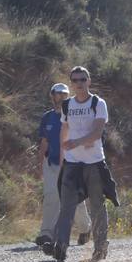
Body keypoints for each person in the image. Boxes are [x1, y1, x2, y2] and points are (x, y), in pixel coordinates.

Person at [49, 66, 113, 262]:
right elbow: (65, 129)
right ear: (71, 83)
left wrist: (76, 143)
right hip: (72, 163)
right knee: (67, 205)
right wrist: (62, 153)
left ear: (89, 81)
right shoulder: (67, 105)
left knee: (96, 206)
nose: (79, 83)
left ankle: (100, 246)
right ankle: (61, 246)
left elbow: (96, 133)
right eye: (75, 80)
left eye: (82, 79)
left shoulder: (97, 103)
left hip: (94, 162)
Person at [36, 82, 90, 250]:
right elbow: (44, 142)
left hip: (72, 164)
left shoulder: (74, 116)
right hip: (51, 164)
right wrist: (39, 164)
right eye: (57, 95)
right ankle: (46, 234)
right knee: (51, 196)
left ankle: (85, 228)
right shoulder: (47, 117)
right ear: (52, 97)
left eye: (63, 95)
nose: (60, 98)